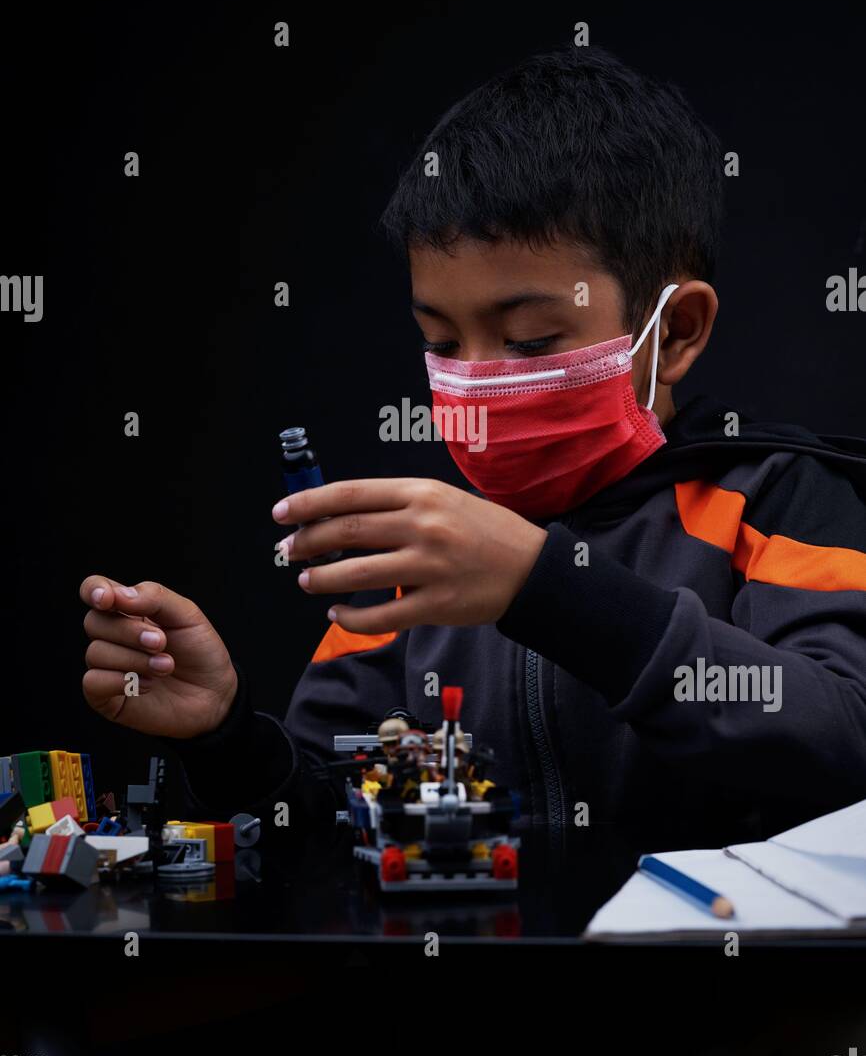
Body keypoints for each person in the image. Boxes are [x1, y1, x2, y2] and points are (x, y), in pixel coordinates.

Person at [79, 46, 866, 840]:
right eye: (444, 344)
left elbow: (840, 734)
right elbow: (322, 833)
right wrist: (224, 737)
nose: (477, 385)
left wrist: (546, 590)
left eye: (529, 340)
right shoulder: (419, 558)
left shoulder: (782, 502)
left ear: (679, 330)